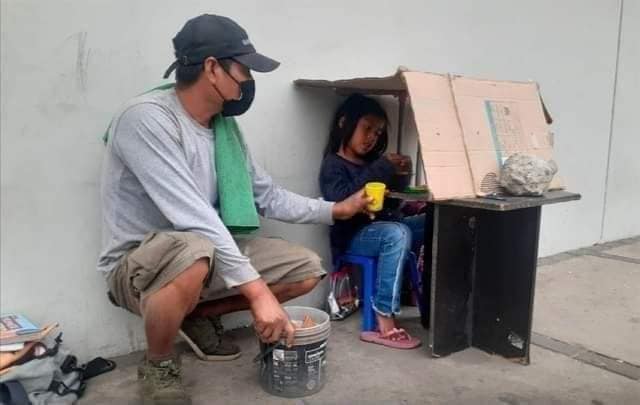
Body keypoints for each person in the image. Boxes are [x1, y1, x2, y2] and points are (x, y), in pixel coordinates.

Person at [98, 14, 370, 404]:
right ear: (212, 68)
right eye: (244, 69)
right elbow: (192, 216)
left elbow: (269, 195)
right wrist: (258, 295)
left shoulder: (223, 131)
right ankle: (158, 364)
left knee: (306, 269)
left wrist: (336, 209)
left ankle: (198, 316)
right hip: (137, 267)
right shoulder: (145, 119)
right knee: (194, 248)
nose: (248, 82)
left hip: (201, 254)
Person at [319, 93, 425, 350]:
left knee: (430, 221)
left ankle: (426, 296)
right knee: (397, 234)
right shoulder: (333, 164)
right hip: (354, 237)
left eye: (377, 133)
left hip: (384, 228)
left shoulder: (371, 164)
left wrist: (400, 174)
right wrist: (381, 168)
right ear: (344, 123)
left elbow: (389, 206)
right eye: (366, 128)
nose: (371, 138)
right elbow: (340, 202)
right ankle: (383, 321)